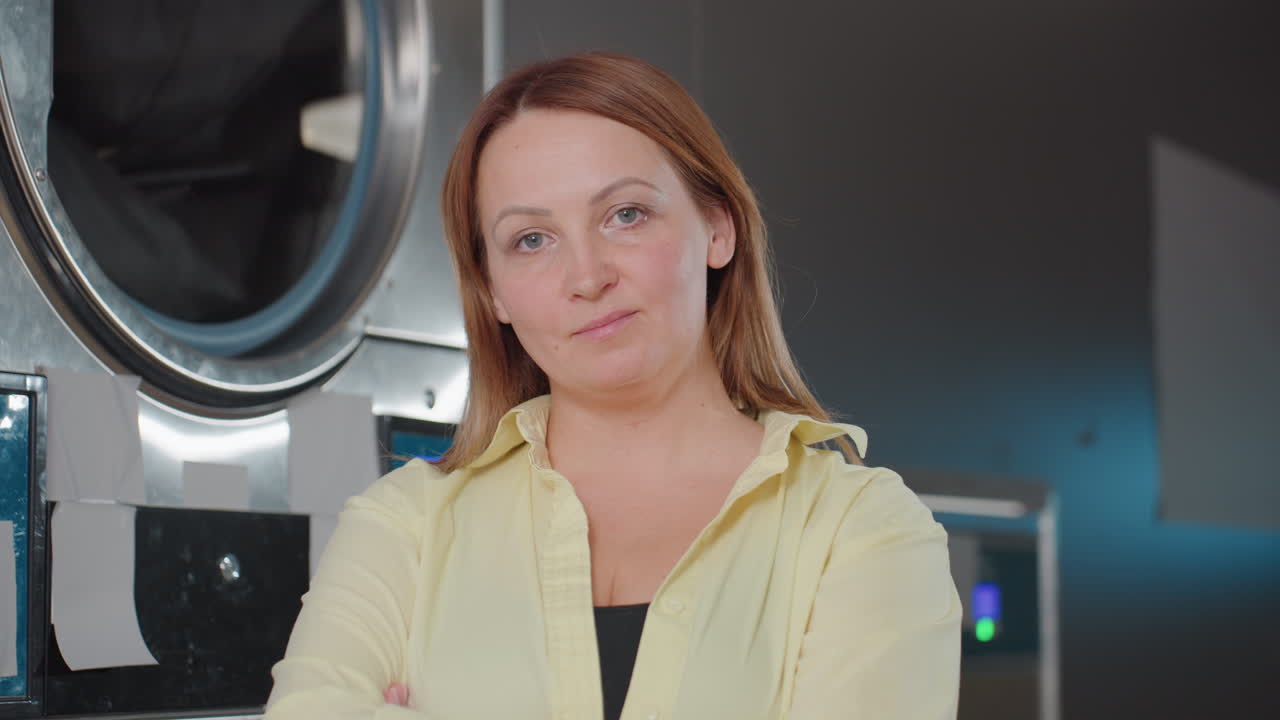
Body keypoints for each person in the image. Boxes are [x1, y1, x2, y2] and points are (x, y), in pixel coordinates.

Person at [265, 52, 960, 720]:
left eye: (625, 215)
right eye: (531, 240)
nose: (587, 277)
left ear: (717, 229)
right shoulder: (403, 526)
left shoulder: (859, 531)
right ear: (493, 292)